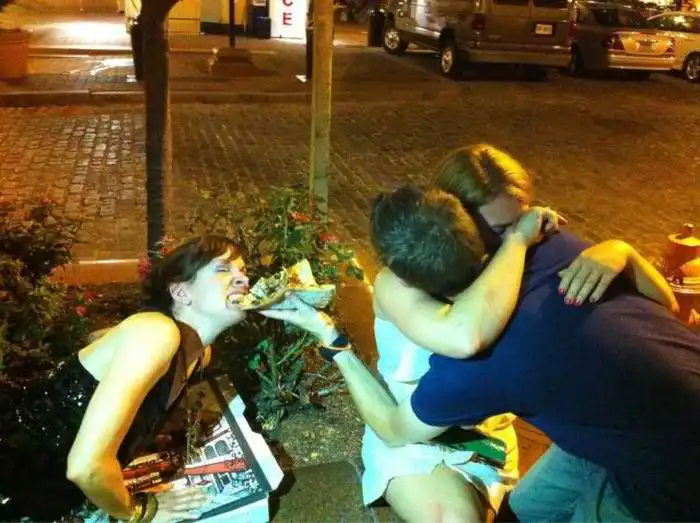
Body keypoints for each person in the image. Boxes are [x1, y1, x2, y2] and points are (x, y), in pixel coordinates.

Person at [307, 184, 699, 522]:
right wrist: (618, 250)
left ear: (405, 280)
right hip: (620, 426)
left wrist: (334, 344)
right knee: (523, 511)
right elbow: (668, 309)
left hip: (671, 480)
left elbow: (393, 429)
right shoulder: (553, 246)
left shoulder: (473, 366)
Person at [0, 235, 338, 522]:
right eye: (223, 269)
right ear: (180, 292)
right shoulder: (157, 333)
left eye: (243, 271)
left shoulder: (199, 355)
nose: (243, 279)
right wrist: (141, 511)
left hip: (44, 497)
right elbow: (85, 467)